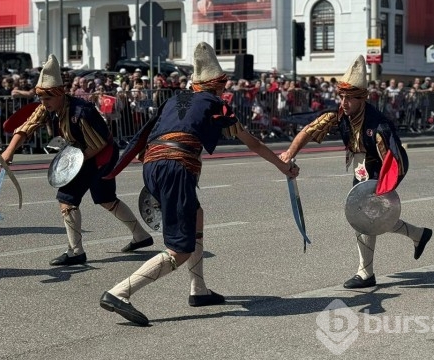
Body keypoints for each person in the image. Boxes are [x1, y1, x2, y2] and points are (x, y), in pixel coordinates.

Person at [99, 42, 299, 326]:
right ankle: (120, 292)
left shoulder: (174, 100)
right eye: (223, 85)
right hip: (175, 166)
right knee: (179, 249)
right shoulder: (216, 104)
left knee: (196, 216)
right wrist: (282, 166)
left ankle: (199, 289)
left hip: (152, 165)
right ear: (217, 85)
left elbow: (146, 138)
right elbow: (251, 141)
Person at [279, 55, 432, 289]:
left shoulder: (378, 127)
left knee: (365, 220)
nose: (344, 102)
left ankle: (366, 273)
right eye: (341, 96)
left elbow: (396, 161)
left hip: (378, 177)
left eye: (349, 98)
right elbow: (310, 130)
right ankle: (418, 235)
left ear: (363, 98)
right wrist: (289, 154)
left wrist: (383, 189)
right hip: (361, 174)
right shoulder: (340, 114)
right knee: (367, 220)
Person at [2, 54, 153, 266]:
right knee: (106, 199)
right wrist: (9, 151)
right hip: (84, 152)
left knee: (67, 199)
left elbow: (97, 144)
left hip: (100, 154)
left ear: (60, 93)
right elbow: (28, 126)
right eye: (41, 99)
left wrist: (71, 164)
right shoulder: (48, 106)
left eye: (47, 99)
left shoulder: (81, 112)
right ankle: (141, 236)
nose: (44, 104)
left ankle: (75, 251)